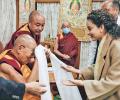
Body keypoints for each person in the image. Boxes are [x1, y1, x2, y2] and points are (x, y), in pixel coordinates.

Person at [62, 9, 120, 100]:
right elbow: (100, 67)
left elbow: (114, 81)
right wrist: (79, 71)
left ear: (101, 27)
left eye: (90, 28)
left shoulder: (116, 46)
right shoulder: (105, 41)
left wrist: (83, 83)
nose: (88, 33)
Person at [0, 34, 41, 100]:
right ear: (20, 48)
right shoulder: (8, 67)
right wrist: (38, 60)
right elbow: (29, 90)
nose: (33, 58)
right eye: (32, 53)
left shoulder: (12, 54)